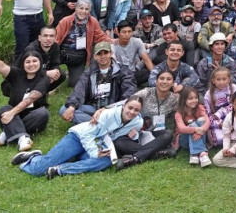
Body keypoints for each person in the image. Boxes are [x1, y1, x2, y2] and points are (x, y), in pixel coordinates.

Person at [14, 95, 143, 179]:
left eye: (136, 110)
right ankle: (33, 157)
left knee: (107, 161)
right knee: (38, 170)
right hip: (79, 138)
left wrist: (134, 136)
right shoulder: (107, 114)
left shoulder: (137, 122)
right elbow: (87, 135)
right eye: (130, 108)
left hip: (98, 143)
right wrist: (94, 153)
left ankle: (60, 170)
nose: (132, 112)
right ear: (124, 105)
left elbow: (122, 136)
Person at [0, 44, 49, 152]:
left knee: (42, 113)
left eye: (35, 61)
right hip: (14, 114)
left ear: (40, 62)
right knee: (3, 110)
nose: (31, 64)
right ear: (23, 64)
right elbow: (1, 66)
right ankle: (23, 138)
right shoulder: (16, 74)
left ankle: (8, 132)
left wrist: (11, 113)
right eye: (28, 62)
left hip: (32, 116)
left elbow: (30, 99)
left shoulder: (44, 78)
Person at [112, 69, 180, 170]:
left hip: (156, 134)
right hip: (137, 131)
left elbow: (189, 105)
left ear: (173, 83)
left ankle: (134, 158)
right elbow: (127, 102)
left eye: (168, 79)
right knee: (118, 142)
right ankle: (158, 153)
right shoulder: (146, 92)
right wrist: (104, 109)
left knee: (168, 134)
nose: (164, 81)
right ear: (156, 81)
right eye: (161, 78)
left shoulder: (174, 99)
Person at [60, 41, 137, 125]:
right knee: (64, 109)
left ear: (111, 53)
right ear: (95, 56)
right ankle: (103, 125)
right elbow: (79, 89)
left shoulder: (123, 71)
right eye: (99, 54)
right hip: (94, 107)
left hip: (113, 108)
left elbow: (129, 92)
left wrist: (110, 108)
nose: (103, 56)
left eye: (105, 53)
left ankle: (94, 125)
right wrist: (72, 107)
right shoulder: (90, 71)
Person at [54, 0, 108, 87]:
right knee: (54, 70)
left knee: (75, 83)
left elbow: (100, 36)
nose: (83, 11)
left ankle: (72, 73)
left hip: (79, 56)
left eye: (87, 9)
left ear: (90, 11)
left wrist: (112, 41)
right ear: (76, 8)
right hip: (63, 53)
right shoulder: (66, 21)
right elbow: (56, 39)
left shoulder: (93, 21)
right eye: (81, 8)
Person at [16, 25, 66, 92]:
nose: (48, 39)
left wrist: (55, 72)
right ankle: (29, 91)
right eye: (45, 36)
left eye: (51, 36)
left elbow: (55, 63)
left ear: (55, 38)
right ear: (39, 38)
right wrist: (46, 73)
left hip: (41, 71)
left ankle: (43, 92)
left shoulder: (55, 46)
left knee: (61, 75)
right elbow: (27, 70)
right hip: (23, 75)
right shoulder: (31, 50)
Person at [173, 86, 212, 167]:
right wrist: (195, 129)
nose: (194, 101)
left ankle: (196, 154)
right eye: (190, 98)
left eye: (196, 98)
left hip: (199, 136)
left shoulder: (199, 108)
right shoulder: (179, 113)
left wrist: (199, 132)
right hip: (184, 140)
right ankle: (201, 154)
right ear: (184, 100)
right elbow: (182, 128)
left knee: (202, 120)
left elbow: (207, 122)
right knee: (192, 123)